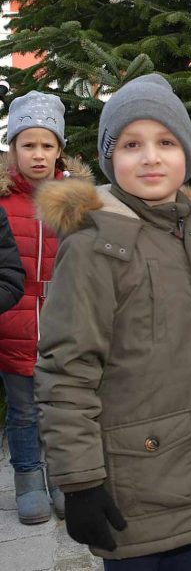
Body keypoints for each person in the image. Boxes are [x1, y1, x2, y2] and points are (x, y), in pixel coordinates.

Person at [34, 74, 191, 568]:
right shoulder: (96, 246)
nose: (151, 157)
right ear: (110, 157)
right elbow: (67, 369)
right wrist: (79, 481)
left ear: (188, 156)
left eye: (166, 142)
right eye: (132, 144)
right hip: (132, 481)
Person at [0, 91, 91, 524]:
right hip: (12, 330)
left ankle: (60, 476)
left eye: (47, 145)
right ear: (13, 147)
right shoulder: (2, 203)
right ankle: (27, 478)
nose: (38, 155)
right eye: (27, 145)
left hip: (62, 329)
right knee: (23, 411)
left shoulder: (76, 202)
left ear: (59, 149)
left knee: (60, 406)